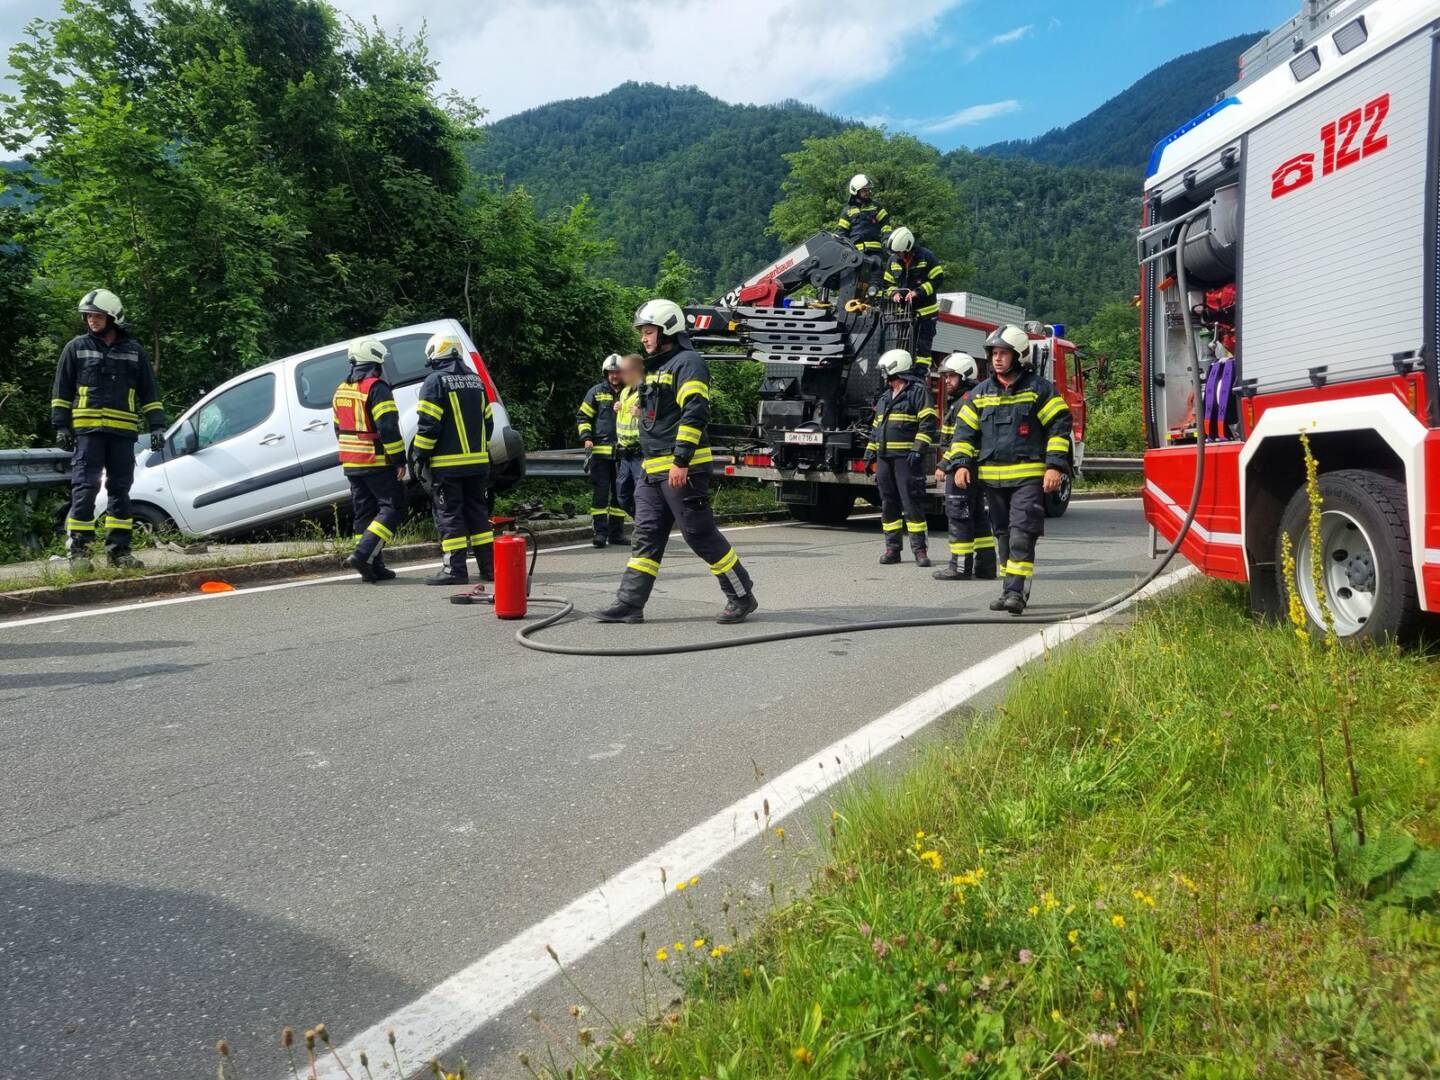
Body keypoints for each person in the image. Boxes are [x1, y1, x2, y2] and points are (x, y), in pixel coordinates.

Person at [595, 299, 758, 625]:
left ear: (668, 328)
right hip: (652, 469)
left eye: (649, 330)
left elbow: (695, 411)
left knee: (698, 534)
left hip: (681, 467)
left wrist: (681, 460)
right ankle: (629, 603)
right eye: (642, 331)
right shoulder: (654, 367)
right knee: (645, 534)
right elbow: (657, 412)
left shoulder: (689, 363)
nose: (643, 337)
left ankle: (741, 595)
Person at [948, 325, 1072, 614]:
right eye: (993, 354)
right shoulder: (980, 394)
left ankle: (1017, 591)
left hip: (1028, 476)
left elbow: (1059, 426)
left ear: (1018, 356)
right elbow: (963, 433)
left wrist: (1054, 466)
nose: (997, 359)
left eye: (1003, 353)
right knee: (1002, 535)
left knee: (1022, 533)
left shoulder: (1038, 390)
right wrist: (962, 464)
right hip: (992, 480)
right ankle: (1008, 589)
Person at [50, 289, 166, 568]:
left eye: (97, 315)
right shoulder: (76, 348)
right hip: (87, 432)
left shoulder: (134, 352)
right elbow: (61, 390)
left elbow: (149, 392)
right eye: (88, 316)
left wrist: (157, 426)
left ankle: (119, 552)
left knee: (120, 491)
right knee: (86, 488)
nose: (91, 320)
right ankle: (79, 552)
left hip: (122, 434)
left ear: (113, 317)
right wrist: (61, 426)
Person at [410, 330, 495, 586]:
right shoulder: (476, 381)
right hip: (478, 465)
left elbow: (428, 426)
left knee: (450, 515)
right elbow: (488, 423)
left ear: (436, 354)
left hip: (448, 467)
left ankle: (454, 570)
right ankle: (489, 568)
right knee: (478, 514)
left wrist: (419, 456)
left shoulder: (435, 382)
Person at [333, 336, 407, 583]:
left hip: (351, 462)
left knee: (364, 513)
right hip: (375, 460)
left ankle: (373, 566)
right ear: (375, 360)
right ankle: (363, 554)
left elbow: (337, 427)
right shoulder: (377, 388)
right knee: (393, 507)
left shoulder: (341, 389)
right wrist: (399, 459)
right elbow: (388, 427)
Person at [862, 348, 937, 566]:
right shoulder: (886, 397)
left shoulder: (917, 392)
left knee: (912, 504)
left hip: (907, 459)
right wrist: (869, 453)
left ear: (896, 369)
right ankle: (892, 549)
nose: (884, 375)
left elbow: (928, 422)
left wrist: (918, 448)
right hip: (885, 459)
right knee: (888, 504)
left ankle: (920, 551)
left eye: (886, 371)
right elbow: (877, 428)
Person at [932, 352, 997, 581]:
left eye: (951, 376)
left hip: (963, 468)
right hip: (973, 468)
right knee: (978, 517)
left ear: (965, 376)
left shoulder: (965, 402)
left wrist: (944, 463)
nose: (946, 381)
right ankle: (986, 566)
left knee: (958, 515)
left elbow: (961, 440)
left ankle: (959, 567)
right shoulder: (970, 399)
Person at [576, 354, 627, 547]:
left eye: (618, 372)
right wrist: (587, 438)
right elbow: (583, 417)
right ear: (606, 373)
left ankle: (616, 534)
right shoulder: (596, 392)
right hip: (600, 454)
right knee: (600, 494)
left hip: (622, 454)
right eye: (611, 372)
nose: (614, 376)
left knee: (620, 494)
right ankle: (599, 534)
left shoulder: (629, 392)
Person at [883, 227, 945, 370]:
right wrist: (894, 294)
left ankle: (920, 375)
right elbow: (888, 283)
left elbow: (937, 279)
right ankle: (901, 371)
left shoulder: (927, 257)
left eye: (899, 252)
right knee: (902, 345)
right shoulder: (893, 261)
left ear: (908, 247)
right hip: (903, 314)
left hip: (926, 314)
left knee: (922, 347)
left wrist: (918, 292)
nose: (897, 255)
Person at [613, 352, 645, 522]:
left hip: (640, 452)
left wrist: (643, 413)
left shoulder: (646, 390)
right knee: (623, 494)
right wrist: (617, 406)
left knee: (642, 494)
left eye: (625, 371)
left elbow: (660, 414)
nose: (621, 375)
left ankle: (644, 526)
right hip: (625, 453)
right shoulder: (625, 392)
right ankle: (642, 521)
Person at [835, 173, 892, 267]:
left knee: (875, 277)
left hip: (875, 252)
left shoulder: (876, 207)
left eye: (869, 190)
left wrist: (886, 238)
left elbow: (886, 224)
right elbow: (842, 233)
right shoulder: (847, 211)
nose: (868, 192)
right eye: (864, 190)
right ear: (856, 191)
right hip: (855, 254)